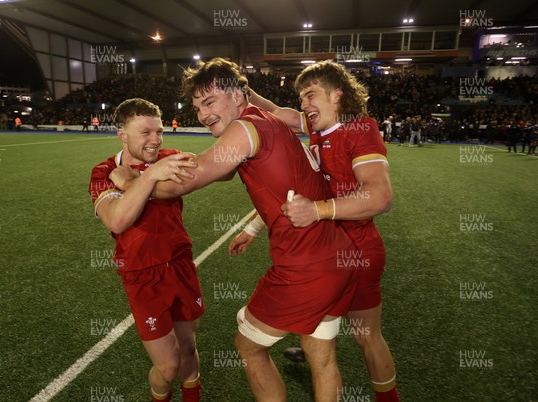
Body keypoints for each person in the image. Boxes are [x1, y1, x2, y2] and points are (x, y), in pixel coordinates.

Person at [110, 58, 359, 402]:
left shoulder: (244, 129)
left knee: (248, 346)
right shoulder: (270, 122)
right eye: (197, 107)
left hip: (305, 266)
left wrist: (134, 180)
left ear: (240, 96)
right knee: (322, 356)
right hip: (337, 257)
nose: (202, 114)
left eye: (210, 102)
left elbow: (186, 182)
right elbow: (244, 174)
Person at [235, 60, 399, 402]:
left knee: (366, 336)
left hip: (356, 248)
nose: (304, 104)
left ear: (338, 94)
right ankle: (313, 349)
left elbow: (381, 196)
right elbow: (279, 112)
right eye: (301, 97)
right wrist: (244, 93)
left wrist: (320, 210)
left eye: (311, 95)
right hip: (325, 251)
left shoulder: (358, 129)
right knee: (323, 337)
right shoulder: (317, 130)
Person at [88, 98, 204, 402]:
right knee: (167, 367)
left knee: (189, 348)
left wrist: (135, 181)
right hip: (142, 273)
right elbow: (117, 219)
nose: (155, 141)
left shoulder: (170, 157)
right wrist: (152, 175)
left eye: (160, 131)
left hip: (180, 264)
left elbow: (221, 173)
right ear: (122, 134)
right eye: (145, 133)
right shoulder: (104, 172)